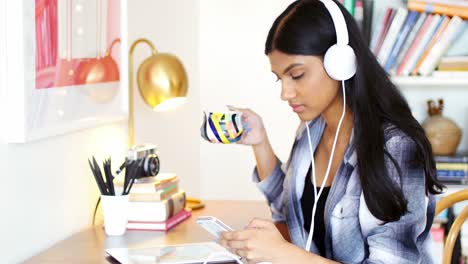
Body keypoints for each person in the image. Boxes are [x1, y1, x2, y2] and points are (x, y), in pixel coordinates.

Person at [218, 0, 444, 263]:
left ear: (341, 63)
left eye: (298, 75)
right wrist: (260, 142)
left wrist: (283, 254)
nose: (285, 93)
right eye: (280, 78)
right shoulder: (311, 129)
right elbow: (291, 213)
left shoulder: (395, 148)